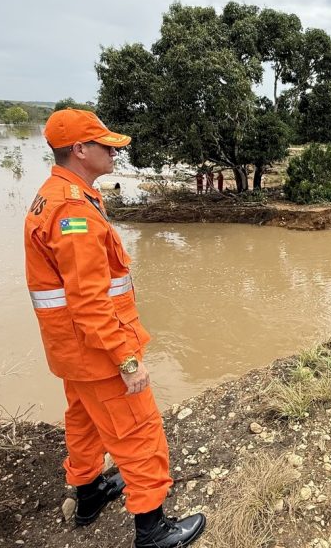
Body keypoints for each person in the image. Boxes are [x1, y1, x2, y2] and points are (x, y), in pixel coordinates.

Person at [25, 109, 206, 547]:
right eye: (106, 145)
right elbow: (89, 300)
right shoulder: (74, 211)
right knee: (138, 430)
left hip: (72, 348)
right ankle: (153, 529)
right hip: (98, 350)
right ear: (80, 150)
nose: (115, 151)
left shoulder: (59, 194)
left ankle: (88, 495)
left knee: (84, 420)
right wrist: (126, 360)